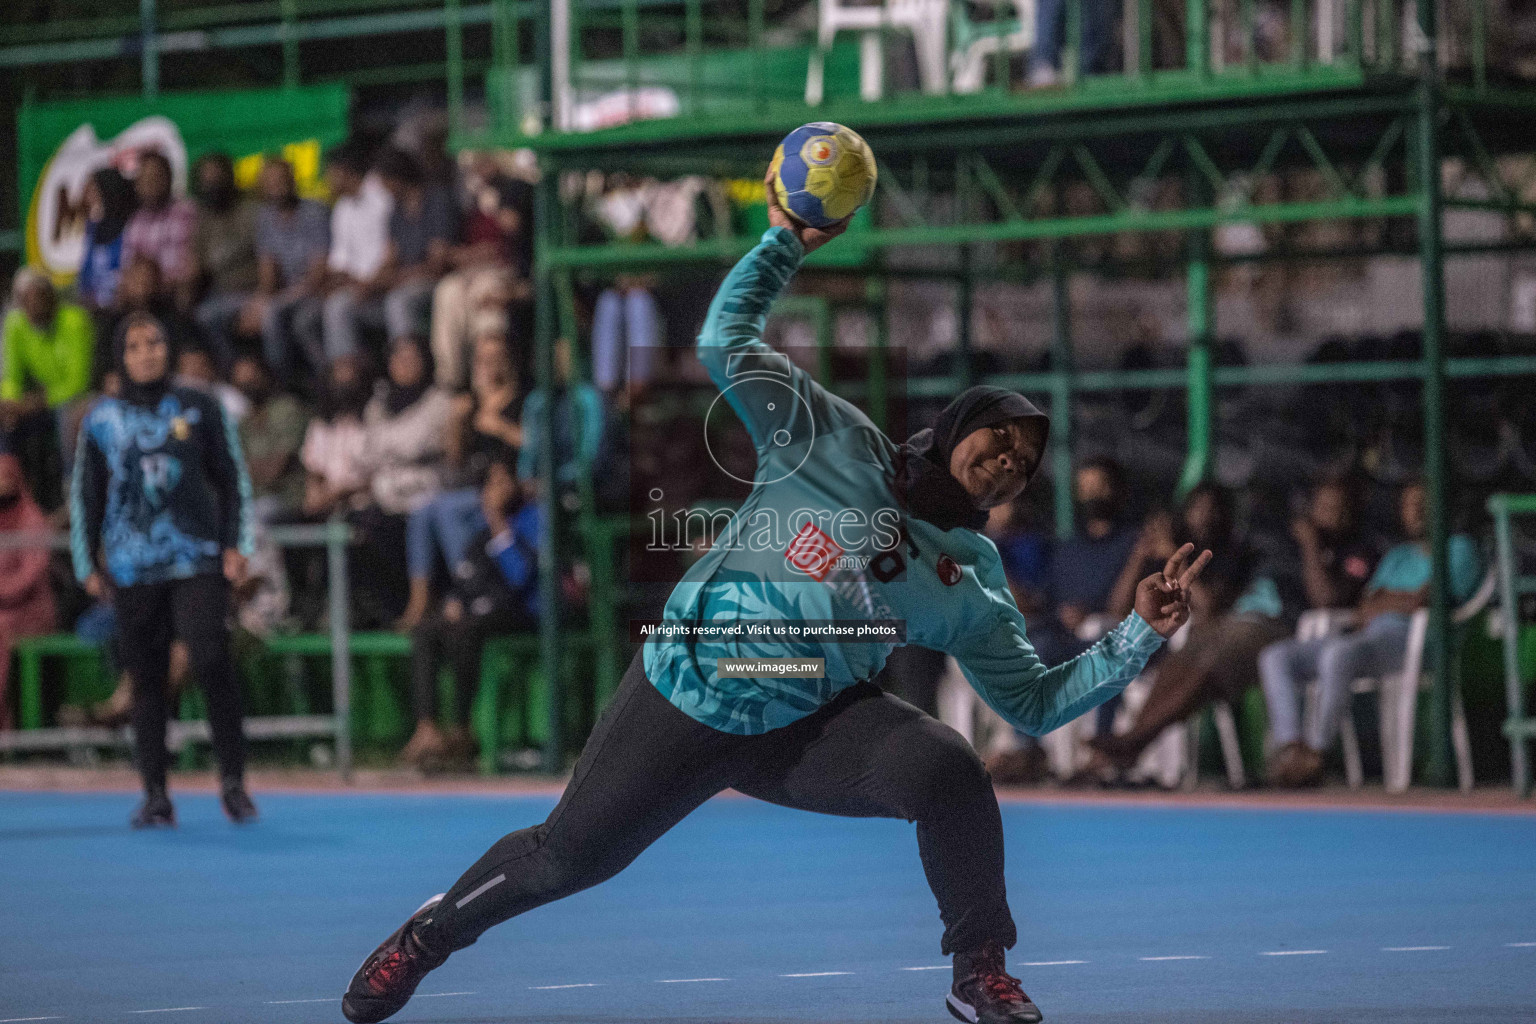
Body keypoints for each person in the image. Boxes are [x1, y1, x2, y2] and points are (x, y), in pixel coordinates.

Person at [340, 166, 1212, 1024]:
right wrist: (786, 242)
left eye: (1026, 457)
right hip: (696, 686)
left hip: (806, 723)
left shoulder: (971, 574)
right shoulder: (836, 439)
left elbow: (1033, 702)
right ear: (956, 426)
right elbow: (725, 343)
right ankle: (425, 939)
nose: (1011, 457)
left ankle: (979, 972)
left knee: (950, 770)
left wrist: (1137, 633)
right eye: (1000, 433)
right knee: (568, 858)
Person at [70, 312, 257, 828]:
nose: (147, 352)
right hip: (132, 568)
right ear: (119, 357)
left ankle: (234, 784)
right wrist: (87, 561)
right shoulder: (100, 419)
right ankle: (155, 793)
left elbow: (232, 475)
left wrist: (238, 544)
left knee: (210, 657)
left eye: (155, 342)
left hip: (197, 557)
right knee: (146, 680)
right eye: (134, 346)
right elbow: (86, 494)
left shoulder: (201, 404)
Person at [1260, 481, 1482, 788]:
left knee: (1339, 653)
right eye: (1409, 505)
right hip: (1370, 640)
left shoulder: (1459, 548)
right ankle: (1292, 748)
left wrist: (1390, 600)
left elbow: (1428, 599)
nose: (1415, 511)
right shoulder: (1398, 556)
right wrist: (1399, 599)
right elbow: (1365, 605)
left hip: (1419, 642)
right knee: (1276, 656)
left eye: (1423, 503)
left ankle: (1318, 752)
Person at [1081, 482, 1286, 782]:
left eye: (1213, 510)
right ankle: (1126, 744)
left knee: (1197, 661)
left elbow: (1208, 608)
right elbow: (1116, 608)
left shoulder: (1227, 553)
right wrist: (1139, 557)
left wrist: (1175, 561)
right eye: (1198, 509)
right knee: (1125, 658)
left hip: (1213, 643)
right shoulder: (1161, 551)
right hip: (1162, 646)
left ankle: (1133, 741)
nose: (1205, 517)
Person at [401, 459, 540, 769]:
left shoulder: (532, 519)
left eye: (503, 482)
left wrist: (496, 518)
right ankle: (427, 728)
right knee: (427, 629)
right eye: (492, 485)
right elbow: (467, 576)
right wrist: (455, 600)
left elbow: (519, 577)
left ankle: (463, 729)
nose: (497, 491)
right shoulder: (480, 533)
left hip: (522, 613)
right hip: (481, 612)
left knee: (466, 630)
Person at [399, 326, 522, 629]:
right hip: (472, 491)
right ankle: (420, 598)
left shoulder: (520, 400)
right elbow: (455, 461)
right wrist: (457, 423)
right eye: (481, 360)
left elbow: (532, 445)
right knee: (423, 509)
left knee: (447, 509)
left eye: (495, 359)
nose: (488, 367)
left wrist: (496, 425)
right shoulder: (471, 404)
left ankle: (470, 589)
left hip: (510, 492)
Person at [349, 337, 453, 625]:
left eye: (411, 358)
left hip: (424, 494)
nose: (404, 365)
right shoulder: (379, 404)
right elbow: (366, 452)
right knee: (354, 526)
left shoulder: (439, 400)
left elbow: (416, 444)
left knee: (395, 528)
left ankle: (423, 605)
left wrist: (389, 446)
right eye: (397, 358)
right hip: (385, 497)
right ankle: (381, 612)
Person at [325, 148, 454, 362]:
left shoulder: (436, 200)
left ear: (399, 177)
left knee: (398, 300)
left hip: (431, 280)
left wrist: (395, 279)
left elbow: (437, 263)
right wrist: (372, 283)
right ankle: (347, 371)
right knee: (339, 305)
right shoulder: (397, 212)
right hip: (402, 280)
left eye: (385, 180)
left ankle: (408, 366)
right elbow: (391, 257)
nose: (382, 188)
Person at [429, 153, 531, 390]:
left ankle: (488, 388)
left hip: (504, 273)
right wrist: (468, 256)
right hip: (469, 271)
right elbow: (449, 252)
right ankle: (451, 383)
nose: (479, 169)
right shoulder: (467, 199)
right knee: (447, 292)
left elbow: (513, 250)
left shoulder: (517, 191)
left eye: (484, 162)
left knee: (486, 296)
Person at [254, 157, 331, 386]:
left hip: (318, 291)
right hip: (287, 296)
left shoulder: (314, 212)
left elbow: (319, 274)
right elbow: (268, 271)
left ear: (293, 180)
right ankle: (284, 387)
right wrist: (261, 300)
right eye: (271, 183)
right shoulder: (266, 219)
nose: (277, 187)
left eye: (282, 180)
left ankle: (321, 381)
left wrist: (276, 301)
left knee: (292, 318)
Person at [321, 143, 393, 363]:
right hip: (356, 288)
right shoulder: (341, 208)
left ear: (344, 171)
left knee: (337, 308)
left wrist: (369, 283)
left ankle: (349, 376)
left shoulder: (382, 197)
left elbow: (394, 251)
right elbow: (339, 262)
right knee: (308, 316)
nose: (327, 180)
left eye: (330, 173)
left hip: (384, 285)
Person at [0, 454, 56, 730]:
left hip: (29, 611)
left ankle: (6, 727)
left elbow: (33, 572)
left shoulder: (31, 518)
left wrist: (3, 592)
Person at [188, 152, 260, 367]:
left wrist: (260, 299)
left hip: (252, 291)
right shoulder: (203, 220)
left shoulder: (252, 211)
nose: (212, 184)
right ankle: (229, 371)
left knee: (208, 315)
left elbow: (271, 258)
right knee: (197, 315)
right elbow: (197, 265)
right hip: (218, 294)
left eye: (217, 177)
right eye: (207, 179)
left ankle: (237, 372)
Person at [516, 336, 604, 496]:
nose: (558, 363)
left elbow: (591, 458)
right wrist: (527, 478)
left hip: (578, 491)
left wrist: (555, 482)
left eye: (564, 357)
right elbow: (529, 451)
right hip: (540, 493)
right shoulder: (536, 401)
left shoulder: (588, 399)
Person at [232, 354, 308, 521]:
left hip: (287, 499)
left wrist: (252, 470)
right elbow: (235, 470)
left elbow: (278, 467)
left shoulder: (287, 409)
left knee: (255, 516)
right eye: (242, 380)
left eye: (252, 377)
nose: (247, 384)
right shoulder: (242, 423)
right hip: (253, 500)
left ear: (265, 376)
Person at [120, 151, 197, 302]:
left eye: (156, 176)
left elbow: (192, 264)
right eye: (145, 178)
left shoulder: (186, 213)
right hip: (145, 298)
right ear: (137, 184)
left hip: (178, 294)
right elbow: (128, 266)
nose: (151, 183)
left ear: (168, 179)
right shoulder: (136, 221)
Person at [75, 167, 138, 311]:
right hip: (93, 308)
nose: (88, 196)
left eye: (93, 190)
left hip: (123, 306)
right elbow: (86, 272)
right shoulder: (92, 228)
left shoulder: (131, 225)